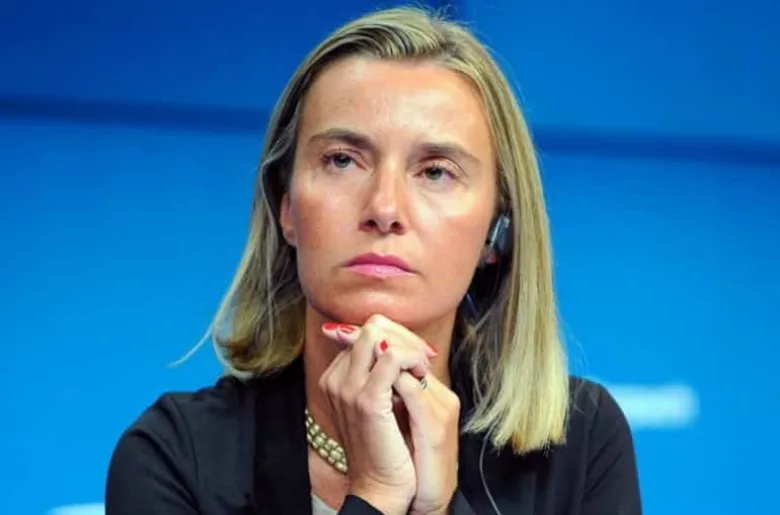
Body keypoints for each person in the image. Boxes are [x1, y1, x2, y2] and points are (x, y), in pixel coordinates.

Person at [105, 6, 641, 515]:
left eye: (435, 171)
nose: (384, 209)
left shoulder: (579, 443)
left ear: (496, 232)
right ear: (286, 208)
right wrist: (377, 495)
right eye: (342, 160)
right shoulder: (175, 455)